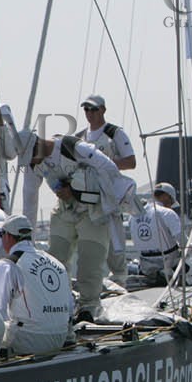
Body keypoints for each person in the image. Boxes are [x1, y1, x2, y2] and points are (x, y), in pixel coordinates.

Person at [25, 134, 122, 320]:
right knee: (55, 260)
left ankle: (89, 306)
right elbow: (30, 198)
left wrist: (78, 188)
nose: (31, 162)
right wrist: (27, 238)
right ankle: (60, 304)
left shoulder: (72, 147)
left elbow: (109, 168)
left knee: (89, 263)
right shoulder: (33, 163)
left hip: (92, 211)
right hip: (65, 210)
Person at [0, 214, 72, 356]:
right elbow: (70, 308)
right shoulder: (57, 263)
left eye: (1, 234)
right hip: (60, 338)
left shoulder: (8, 264)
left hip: (29, 340)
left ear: (8, 236)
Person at [75, 94, 140, 276]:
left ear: (103, 110)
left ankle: (120, 280)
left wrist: (103, 163)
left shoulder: (114, 133)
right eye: (86, 109)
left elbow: (131, 161)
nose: (90, 113)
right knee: (89, 249)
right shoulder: (79, 137)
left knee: (115, 249)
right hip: (87, 200)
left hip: (109, 198)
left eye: (94, 109)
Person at [132, 182, 184, 285]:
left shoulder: (133, 216)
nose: (171, 206)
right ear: (166, 196)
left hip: (146, 266)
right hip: (168, 264)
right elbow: (182, 240)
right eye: (171, 201)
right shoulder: (167, 213)